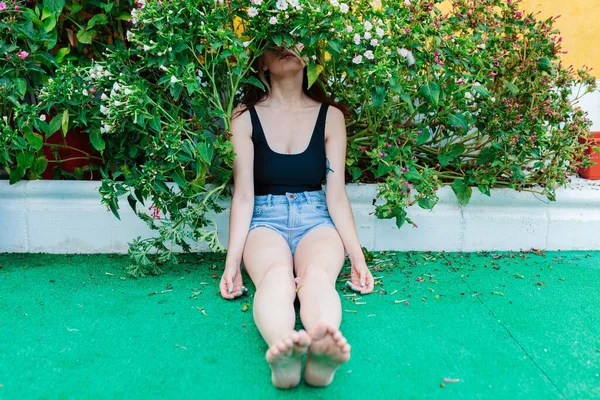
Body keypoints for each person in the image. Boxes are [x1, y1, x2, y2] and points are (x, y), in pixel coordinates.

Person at [219, 43, 375, 389]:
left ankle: (322, 347)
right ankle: (283, 348)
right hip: (264, 219)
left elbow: (336, 195)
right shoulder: (244, 116)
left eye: (295, 38)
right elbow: (243, 195)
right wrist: (232, 264)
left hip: (317, 217)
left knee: (317, 276)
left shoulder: (330, 116)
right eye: (274, 43)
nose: (286, 48)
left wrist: (357, 258)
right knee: (274, 277)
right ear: (260, 62)